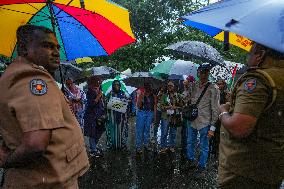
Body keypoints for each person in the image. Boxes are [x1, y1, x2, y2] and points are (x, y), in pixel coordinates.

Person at [0, 25, 89, 188]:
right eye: (47, 46)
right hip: (49, 179)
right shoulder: (32, 78)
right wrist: (6, 160)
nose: (56, 52)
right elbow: (35, 144)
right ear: (24, 48)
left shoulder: (23, 75)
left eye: (57, 47)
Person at [218, 43, 284, 189]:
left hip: (244, 171)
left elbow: (239, 127)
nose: (248, 58)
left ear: (260, 55)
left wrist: (223, 111)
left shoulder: (258, 80)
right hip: (272, 169)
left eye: (250, 53)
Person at [186, 63, 219, 169]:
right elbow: (186, 99)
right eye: (202, 72)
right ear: (198, 73)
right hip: (192, 120)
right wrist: (186, 87)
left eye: (206, 72)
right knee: (190, 141)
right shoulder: (193, 85)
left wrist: (212, 128)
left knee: (204, 146)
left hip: (205, 122)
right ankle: (190, 160)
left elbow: (215, 109)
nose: (204, 74)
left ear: (209, 73)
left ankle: (202, 165)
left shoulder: (213, 88)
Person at [83, 76, 105, 157]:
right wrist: (98, 96)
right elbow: (91, 104)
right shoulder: (89, 91)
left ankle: (94, 146)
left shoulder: (99, 89)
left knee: (100, 130)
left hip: (99, 114)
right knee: (93, 132)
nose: (99, 81)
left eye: (99, 80)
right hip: (91, 115)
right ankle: (93, 150)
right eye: (97, 80)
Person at [159, 81, 183, 153]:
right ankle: (163, 147)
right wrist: (168, 107)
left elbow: (182, 105)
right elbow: (161, 106)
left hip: (174, 117)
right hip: (165, 116)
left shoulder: (178, 95)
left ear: (174, 87)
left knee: (173, 132)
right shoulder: (164, 95)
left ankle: (171, 146)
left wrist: (176, 106)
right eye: (168, 86)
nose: (169, 87)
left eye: (171, 86)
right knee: (164, 132)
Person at [105, 80, 129, 149]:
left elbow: (126, 105)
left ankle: (122, 145)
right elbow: (106, 104)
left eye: (118, 85)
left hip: (122, 117)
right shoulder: (109, 94)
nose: (116, 86)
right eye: (115, 85)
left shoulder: (123, 94)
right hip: (112, 117)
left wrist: (126, 102)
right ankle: (111, 145)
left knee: (122, 131)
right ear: (113, 86)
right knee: (112, 131)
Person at [209, 79, 230, 156]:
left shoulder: (226, 94)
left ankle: (217, 150)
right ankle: (210, 150)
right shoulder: (214, 93)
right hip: (213, 116)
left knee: (218, 134)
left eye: (221, 84)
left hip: (221, 117)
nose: (219, 85)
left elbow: (227, 105)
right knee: (211, 133)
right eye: (218, 84)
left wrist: (228, 98)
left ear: (223, 85)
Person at [135, 83, 157, 154]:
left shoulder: (153, 96)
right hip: (141, 112)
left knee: (147, 129)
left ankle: (146, 144)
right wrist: (142, 96)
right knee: (139, 130)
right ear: (144, 88)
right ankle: (138, 146)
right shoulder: (141, 94)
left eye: (148, 87)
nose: (147, 89)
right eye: (146, 87)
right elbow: (138, 106)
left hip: (150, 113)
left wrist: (154, 116)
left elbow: (154, 106)